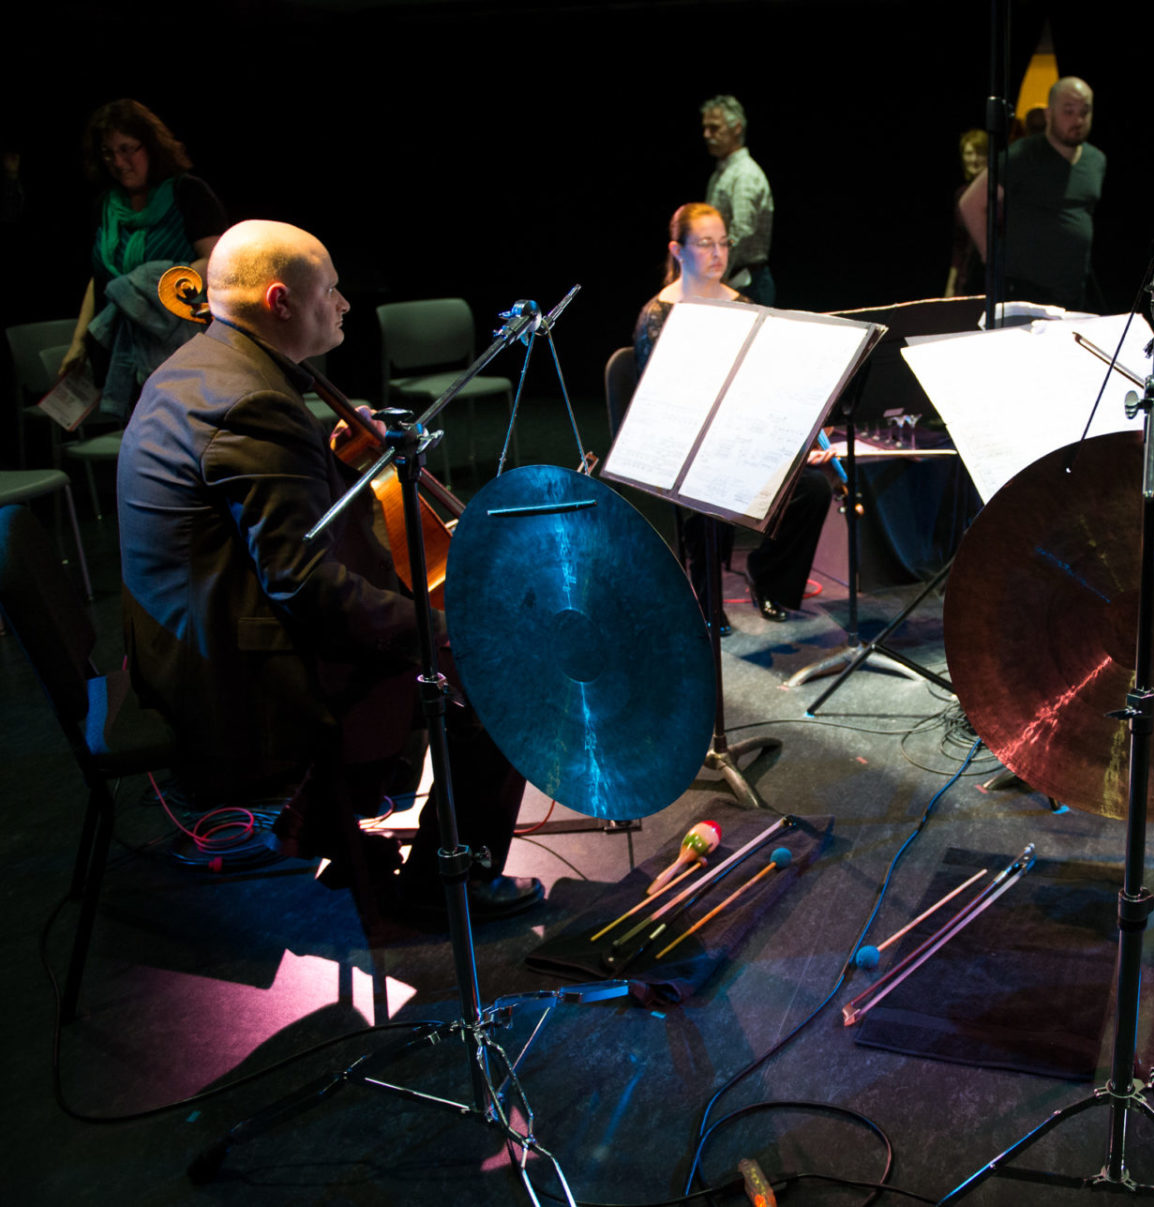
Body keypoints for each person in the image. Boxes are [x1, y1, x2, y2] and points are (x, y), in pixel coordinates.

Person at [116, 219, 540, 920]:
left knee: (430, 633)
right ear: (281, 301)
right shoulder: (253, 401)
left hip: (177, 637)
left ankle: (340, 831)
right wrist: (443, 626)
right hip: (233, 676)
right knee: (502, 669)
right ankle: (446, 886)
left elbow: (256, 515)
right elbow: (306, 587)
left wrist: (333, 463)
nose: (344, 303)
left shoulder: (204, 364)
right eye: (332, 290)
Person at [632, 203, 830, 624]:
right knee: (711, 485)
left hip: (739, 437)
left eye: (724, 243)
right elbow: (661, 406)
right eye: (705, 244)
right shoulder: (659, 315)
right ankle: (706, 604)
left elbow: (766, 388)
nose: (718, 253)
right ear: (677, 250)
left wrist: (796, 436)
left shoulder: (744, 305)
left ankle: (770, 578)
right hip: (682, 446)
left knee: (812, 489)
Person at [61, 99, 228, 418]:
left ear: (150, 146)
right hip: (122, 351)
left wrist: (152, 292)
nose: (119, 162)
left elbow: (216, 260)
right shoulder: (106, 206)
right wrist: (79, 342)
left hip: (182, 345)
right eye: (108, 153)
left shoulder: (187, 193)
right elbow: (103, 283)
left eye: (127, 149)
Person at [958, 77, 1105, 311]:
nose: (1078, 120)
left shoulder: (1095, 160)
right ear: (1049, 114)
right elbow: (971, 203)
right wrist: (990, 257)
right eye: (1068, 111)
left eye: (1085, 112)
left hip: (1072, 292)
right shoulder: (1023, 155)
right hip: (1026, 291)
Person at [700, 95, 775, 306]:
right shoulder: (721, 174)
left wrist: (716, 272)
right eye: (705, 128)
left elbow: (742, 231)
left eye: (714, 128)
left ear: (737, 128)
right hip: (730, 280)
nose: (707, 135)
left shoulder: (745, 174)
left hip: (746, 283)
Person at [945, 129, 987, 298]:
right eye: (969, 153)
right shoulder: (961, 194)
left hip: (989, 278)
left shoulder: (997, 194)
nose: (974, 159)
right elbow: (959, 245)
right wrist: (950, 288)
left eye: (980, 153)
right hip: (966, 279)